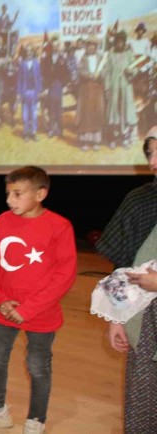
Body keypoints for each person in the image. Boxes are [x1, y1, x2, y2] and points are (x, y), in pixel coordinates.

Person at [0, 166, 77, 434]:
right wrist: (0, 299)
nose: (10, 200)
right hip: (4, 310)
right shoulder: (3, 221)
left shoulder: (59, 226)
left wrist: (29, 309)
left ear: (40, 194)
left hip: (41, 313)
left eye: (17, 194)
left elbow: (65, 275)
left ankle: (36, 419)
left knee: (37, 366)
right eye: (8, 193)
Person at [96, 127, 157, 433]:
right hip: (144, 320)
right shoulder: (140, 201)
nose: (153, 161)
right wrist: (116, 317)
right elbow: (121, 267)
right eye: (150, 153)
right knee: (144, 397)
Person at [103, 31, 137, 148]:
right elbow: (107, 73)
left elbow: (135, 67)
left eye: (122, 42)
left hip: (126, 88)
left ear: (124, 42)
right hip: (114, 89)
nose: (120, 44)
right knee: (113, 112)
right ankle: (113, 138)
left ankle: (125, 138)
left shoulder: (129, 54)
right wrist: (107, 88)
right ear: (115, 43)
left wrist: (131, 71)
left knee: (125, 111)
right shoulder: (110, 55)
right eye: (118, 42)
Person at [76, 37, 106, 151]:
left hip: (97, 89)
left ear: (96, 47)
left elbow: (105, 70)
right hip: (86, 89)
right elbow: (80, 70)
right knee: (85, 114)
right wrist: (89, 75)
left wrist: (99, 75)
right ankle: (85, 141)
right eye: (89, 45)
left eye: (93, 46)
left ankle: (95, 141)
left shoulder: (101, 58)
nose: (91, 47)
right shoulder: (83, 58)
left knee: (96, 113)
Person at [41, 37, 70, 138]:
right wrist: (45, 87)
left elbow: (67, 74)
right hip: (50, 86)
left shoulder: (63, 59)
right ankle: (51, 129)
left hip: (59, 86)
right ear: (51, 46)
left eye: (57, 45)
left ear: (59, 46)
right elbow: (44, 73)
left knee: (58, 108)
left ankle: (59, 129)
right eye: (53, 46)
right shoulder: (47, 59)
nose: (55, 47)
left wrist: (64, 85)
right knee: (51, 108)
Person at [17, 44, 43, 142]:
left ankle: (33, 133)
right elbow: (19, 79)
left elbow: (39, 77)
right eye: (27, 51)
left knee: (34, 114)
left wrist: (39, 91)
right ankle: (26, 133)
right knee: (25, 114)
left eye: (31, 51)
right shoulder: (22, 64)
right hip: (25, 92)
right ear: (25, 52)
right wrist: (18, 93)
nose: (29, 53)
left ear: (33, 52)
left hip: (34, 91)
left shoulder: (37, 63)